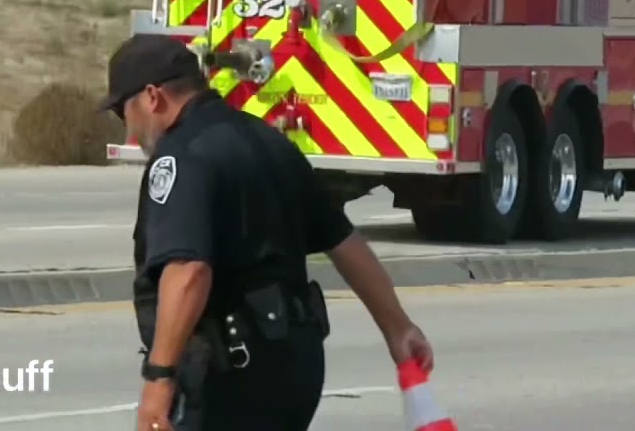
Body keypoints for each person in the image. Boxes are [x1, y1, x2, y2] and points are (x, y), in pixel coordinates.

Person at [97, 34, 436, 431]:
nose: (130, 132)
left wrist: (159, 377)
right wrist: (399, 328)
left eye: (125, 112)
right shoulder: (268, 141)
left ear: (153, 97)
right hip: (297, 369)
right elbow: (344, 243)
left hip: (228, 373)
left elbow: (189, 271)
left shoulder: (182, 157)